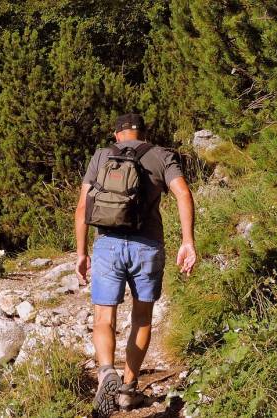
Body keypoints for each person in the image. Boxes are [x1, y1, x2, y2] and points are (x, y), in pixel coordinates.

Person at [74, 113, 196, 416]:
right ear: (143, 133)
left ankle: (106, 372)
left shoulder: (101, 156)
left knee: (104, 317)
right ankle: (128, 390)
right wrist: (187, 241)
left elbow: (83, 206)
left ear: (117, 135)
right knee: (142, 318)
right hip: (148, 247)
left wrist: (81, 253)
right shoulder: (161, 155)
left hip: (108, 245)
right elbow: (183, 193)